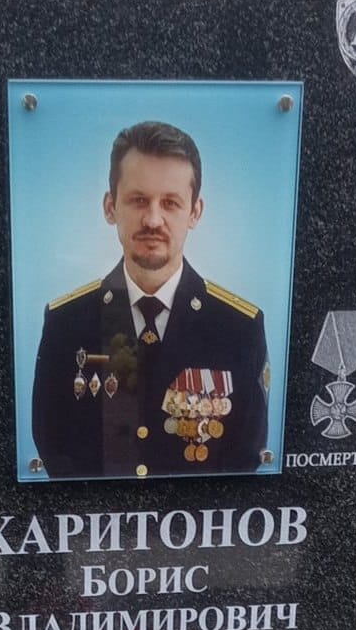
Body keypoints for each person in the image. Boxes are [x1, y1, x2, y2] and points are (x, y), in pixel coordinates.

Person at [31, 119, 269, 480]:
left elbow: (244, 454)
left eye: (171, 203)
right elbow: (52, 443)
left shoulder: (238, 328)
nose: (153, 219)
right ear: (110, 207)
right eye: (138, 200)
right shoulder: (67, 322)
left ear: (195, 212)